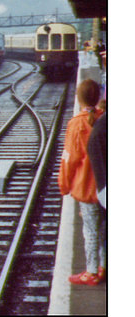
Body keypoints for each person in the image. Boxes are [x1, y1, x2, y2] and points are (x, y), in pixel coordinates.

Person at [58, 79, 106, 286]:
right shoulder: (103, 119)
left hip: (86, 187)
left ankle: (91, 271)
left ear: (78, 98)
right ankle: (104, 265)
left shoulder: (76, 124)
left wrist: (64, 185)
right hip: (104, 185)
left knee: (90, 230)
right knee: (104, 228)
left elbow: (70, 159)